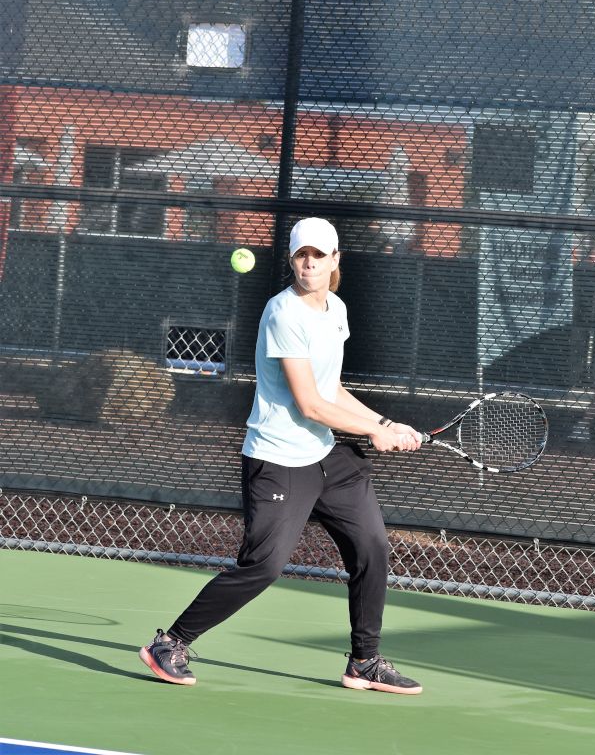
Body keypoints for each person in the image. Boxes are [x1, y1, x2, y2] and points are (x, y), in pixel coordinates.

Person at [139, 216, 423, 695]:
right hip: (278, 461)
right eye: (300, 255)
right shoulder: (283, 313)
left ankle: (365, 662)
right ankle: (170, 643)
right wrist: (376, 433)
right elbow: (309, 404)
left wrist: (385, 424)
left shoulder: (336, 309)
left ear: (335, 261)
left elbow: (331, 388)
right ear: (291, 260)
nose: (309, 263)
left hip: (326, 457)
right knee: (264, 567)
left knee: (371, 546)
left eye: (318, 255)